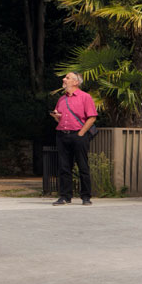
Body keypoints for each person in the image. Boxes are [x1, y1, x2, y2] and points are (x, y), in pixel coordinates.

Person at [50, 72, 97, 205]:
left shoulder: (85, 97)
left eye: (67, 78)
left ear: (76, 82)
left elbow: (92, 117)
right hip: (62, 135)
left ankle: (86, 197)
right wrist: (56, 116)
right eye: (65, 77)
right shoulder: (61, 99)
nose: (64, 79)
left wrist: (81, 133)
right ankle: (65, 196)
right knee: (64, 167)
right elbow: (58, 117)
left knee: (83, 166)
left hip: (78, 134)